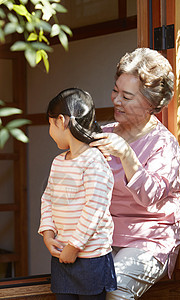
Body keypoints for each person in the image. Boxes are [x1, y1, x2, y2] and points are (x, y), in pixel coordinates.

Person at [89, 48, 180, 299]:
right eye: (115, 91)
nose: (116, 100)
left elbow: (150, 198)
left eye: (127, 96)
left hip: (148, 239)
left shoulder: (164, 144)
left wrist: (127, 156)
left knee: (116, 289)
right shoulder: (104, 133)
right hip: (103, 234)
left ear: (151, 104)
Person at [38, 88, 117, 300]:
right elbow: (47, 198)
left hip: (90, 257)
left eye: (50, 124)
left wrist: (74, 247)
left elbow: (95, 208)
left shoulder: (94, 161)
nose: (49, 131)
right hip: (62, 254)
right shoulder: (58, 162)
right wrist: (48, 234)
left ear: (61, 121)